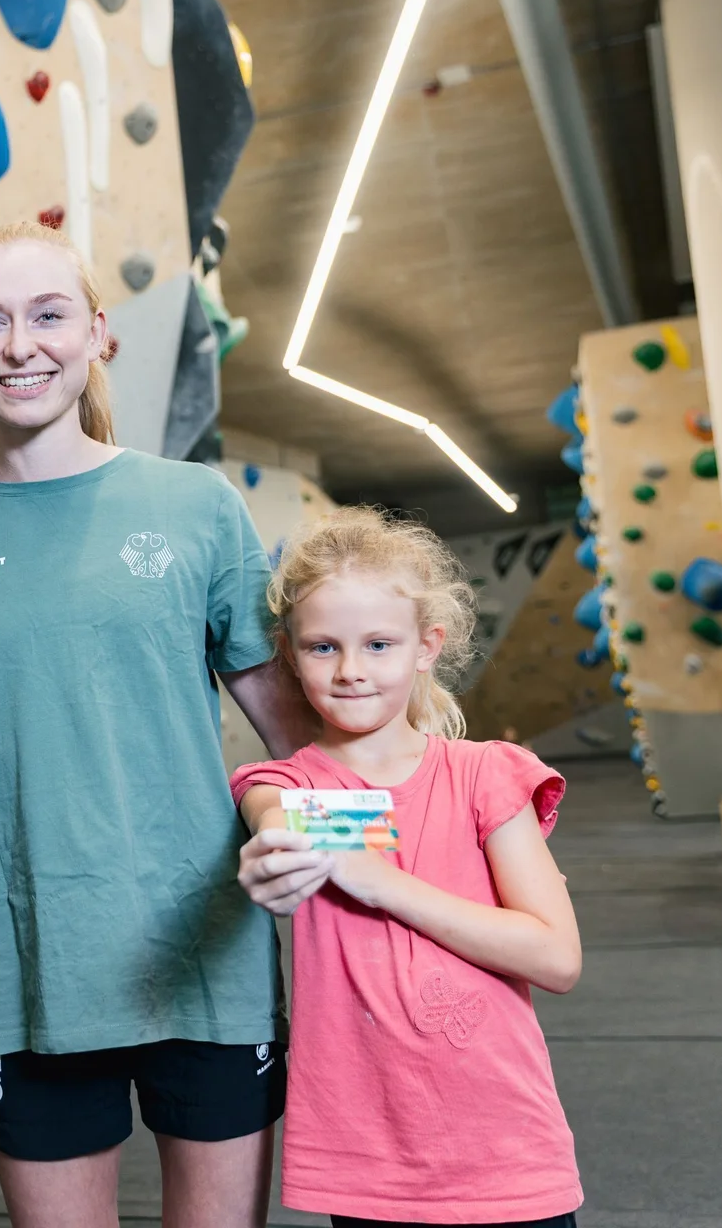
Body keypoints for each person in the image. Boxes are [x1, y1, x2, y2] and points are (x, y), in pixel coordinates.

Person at [0, 220, 327, 1228]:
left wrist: (424, 837)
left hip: (208, 957)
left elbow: (299, 737)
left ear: (97, 333)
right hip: (30, 966)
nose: (20, 345)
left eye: (48, 315)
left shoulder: (197, 505)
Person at [231, 507, 585, 1227]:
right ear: (289, 654)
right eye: (323, 647)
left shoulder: (485, 775)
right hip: (371, 1160)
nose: (351, 670)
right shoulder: (287, 785)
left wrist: (383, 883)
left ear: (427, 647)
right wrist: (275, 857)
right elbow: (278, 823)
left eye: (378, 644)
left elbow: (556, 957)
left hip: (509, 1148)